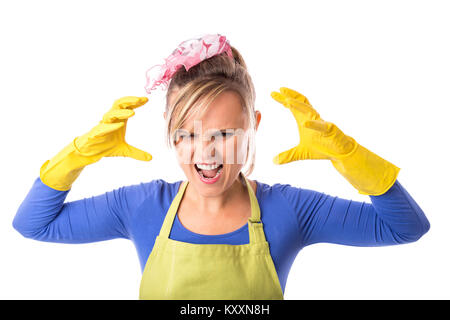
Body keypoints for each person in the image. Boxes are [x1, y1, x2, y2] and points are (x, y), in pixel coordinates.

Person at [13, 33, 430, 300]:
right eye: (187, 134)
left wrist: (348, 156)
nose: (205, 153)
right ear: (170, 132)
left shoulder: (289, 210)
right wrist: (78, 156)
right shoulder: (143, 206)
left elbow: (405, 228)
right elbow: (33, 225)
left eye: (224, 134)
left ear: (253, 127)